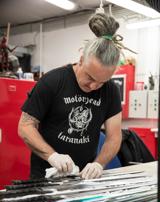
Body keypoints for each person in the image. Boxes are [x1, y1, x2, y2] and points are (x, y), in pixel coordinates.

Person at [18, 13, 123, 180]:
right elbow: (25, 126)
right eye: (90, 77)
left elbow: (114, 136)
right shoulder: (53, 81)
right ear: (81, 60)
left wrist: (99, 163)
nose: (94, 86)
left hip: (83, 179)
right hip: (46, 177)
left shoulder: (111, 91)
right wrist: (52, 156)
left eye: (102, 81)